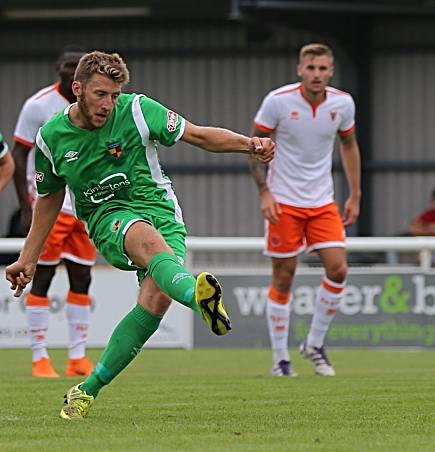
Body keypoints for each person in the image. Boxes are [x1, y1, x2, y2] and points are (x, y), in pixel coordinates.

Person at [5, 51, 274, 419]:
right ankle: (199, 300)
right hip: (106, 215)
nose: (108, 104)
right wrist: (29, 256)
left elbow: (198, 135)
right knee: (147, 243)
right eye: (100, 94)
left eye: (114, 95)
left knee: (156, 301)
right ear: (77, 89)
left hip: (162, 210)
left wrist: (250, 144)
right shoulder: (51, 137)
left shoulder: (138, 110)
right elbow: (49, 197)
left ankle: (86, 391)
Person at [249, 43, 361, 377]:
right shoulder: (278, 101)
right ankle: (280, 358)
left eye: (323, 68)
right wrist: (265, 192)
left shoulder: (343, 103)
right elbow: (255, 147)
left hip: (322, 202)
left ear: (331, 71)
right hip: (283, 201)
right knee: (284, 277)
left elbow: (349, 145)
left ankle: (314, 343)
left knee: (338, 270)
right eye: (310, 68)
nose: (317, 74)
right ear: (300, 70)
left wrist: (355, 194)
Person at [12, 45, 97, 379]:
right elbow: (19, 155)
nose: (74, 70)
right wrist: (24, 205)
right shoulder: (38, 106)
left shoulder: (96, 104)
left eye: (80, 66)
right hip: (50, 206)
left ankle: (77, 358)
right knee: (42, 276)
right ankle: (40, 359)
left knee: (82, 277)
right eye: (70, 65)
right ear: (58, 68)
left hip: (86, 207)